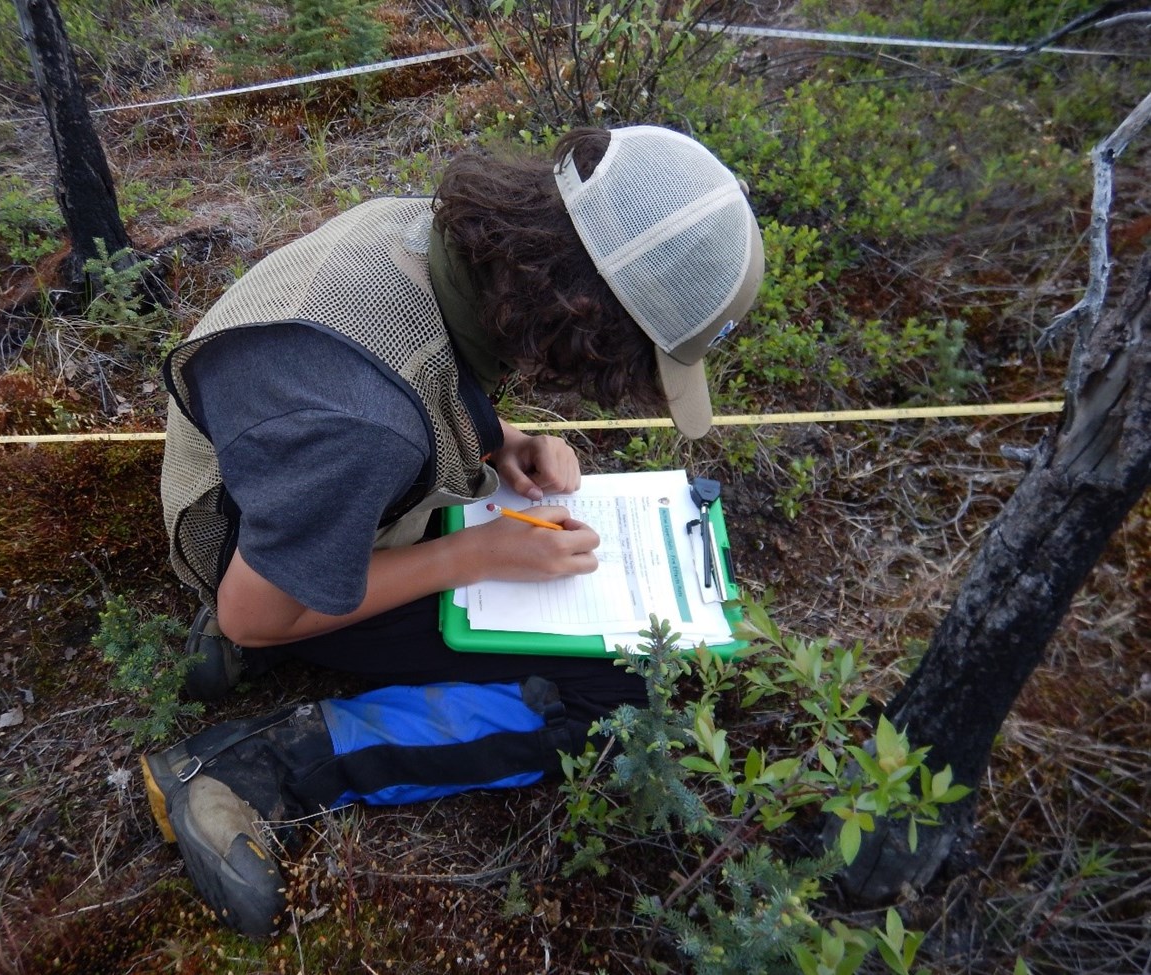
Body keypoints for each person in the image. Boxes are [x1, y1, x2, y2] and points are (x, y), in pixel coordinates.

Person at [140, 125, 764, 936]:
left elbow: (404, 365)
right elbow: (250, 607)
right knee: (626, 687)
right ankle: (257, 768)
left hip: (269, 488)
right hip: (258, 567)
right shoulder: (366, 429)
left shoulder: (420, 233)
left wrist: (501, 440)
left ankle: (289, 578)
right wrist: (474, 553)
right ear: (590, 325)